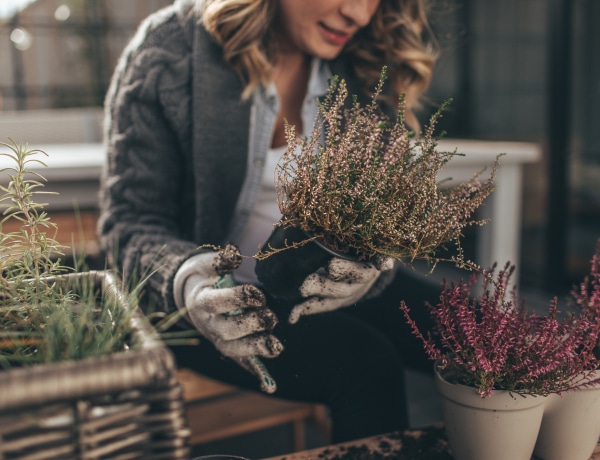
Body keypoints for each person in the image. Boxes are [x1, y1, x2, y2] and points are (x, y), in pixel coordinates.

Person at [98, 0, 439, 444]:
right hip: (201, 302)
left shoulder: (362, 64)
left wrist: (372, 268)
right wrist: (190, 283)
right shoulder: (172, 48)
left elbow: (374, 210)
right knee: (365, 364)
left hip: (323, 282)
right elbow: (129, 224)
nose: (359, 13)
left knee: (475, 326)